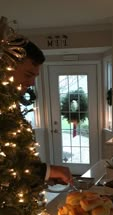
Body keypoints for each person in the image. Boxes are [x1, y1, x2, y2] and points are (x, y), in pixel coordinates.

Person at [11, 39, 73, 185]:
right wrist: (47, 171)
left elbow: (14, 161)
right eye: (27, 74)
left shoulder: (11, 107)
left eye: (34, 76)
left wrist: (43, 176)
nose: (32, 82)